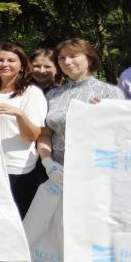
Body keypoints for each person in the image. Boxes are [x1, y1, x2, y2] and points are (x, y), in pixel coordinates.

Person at [0, 44, 48, 220]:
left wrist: (19, 114)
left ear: (22, 65)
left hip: (16, 168)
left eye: (11, 60)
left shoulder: (32, 93)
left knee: (16, 221)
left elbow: (33, 136)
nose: (4, 64)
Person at [37, 38, 125, 170]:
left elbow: (121, 135)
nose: (67, 61)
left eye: (73, 56)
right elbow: (44, 135)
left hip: (96, 169)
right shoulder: (52, 95)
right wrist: (47, 162)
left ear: (89, 59)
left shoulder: (109, 92)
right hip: (58, 170)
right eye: (62, 57)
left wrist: (105, 114)